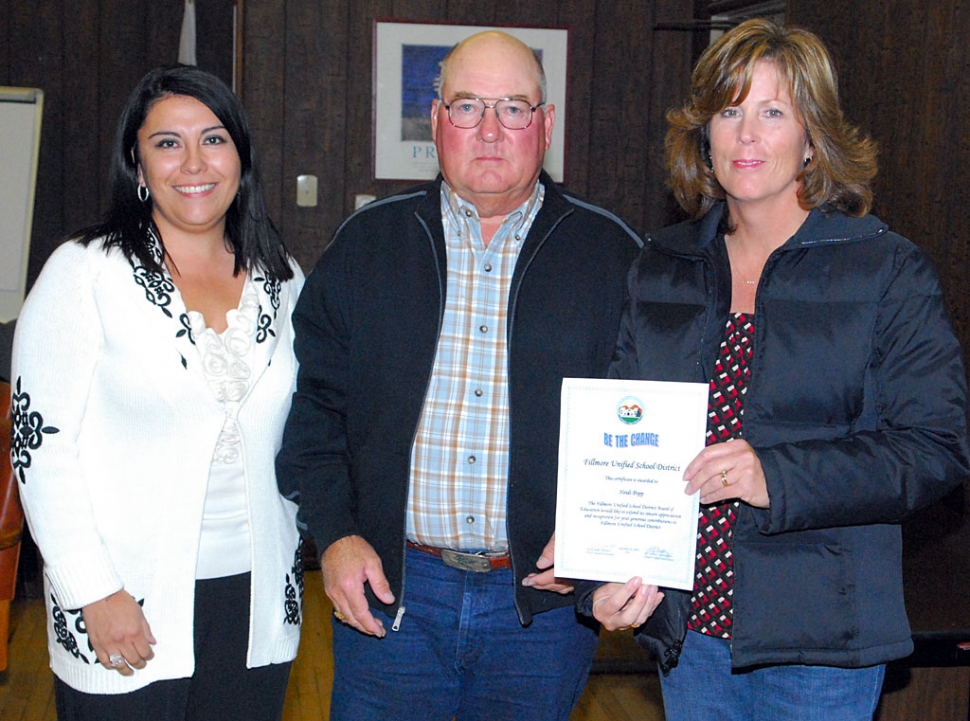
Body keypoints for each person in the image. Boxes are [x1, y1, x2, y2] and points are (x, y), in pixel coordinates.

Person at [582, 17, 970, 721]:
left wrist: (776, 475)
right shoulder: (661, 266)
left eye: (773, 111)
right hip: (689, 634)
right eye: (729, 111)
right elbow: (616, 441)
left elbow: (936, 448)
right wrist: (600, 572)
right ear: (705, 134)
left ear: (814, 137)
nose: (747, 134)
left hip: (821, 644)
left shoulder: (885, 268)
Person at [275, 30, 641, 721]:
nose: (492, 131)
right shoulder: (367, 245)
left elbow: (645, 422)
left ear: (547, 124)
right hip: (393, 592)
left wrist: (604, 539)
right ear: (437, 121)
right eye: (469, 107)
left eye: (514, 108)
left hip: (542, 608)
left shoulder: (614, 256)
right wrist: (336, 534)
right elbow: (316, 410)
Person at [10, 65, 304, 721]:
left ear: (241, 158)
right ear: (137, 165)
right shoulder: (85, 272)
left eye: (214, 139)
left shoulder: (281, 278)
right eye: (168, 143)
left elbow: (310, 428)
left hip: (255, 599)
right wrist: (93, 590)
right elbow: (38, 444)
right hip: (126, 597)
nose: (194, 162)